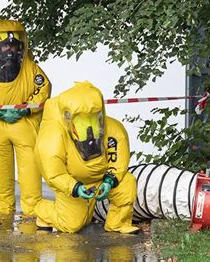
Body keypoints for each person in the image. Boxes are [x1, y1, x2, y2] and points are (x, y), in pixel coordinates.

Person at [33, 81, 139, 234]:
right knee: (71, 225)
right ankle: (43, 212)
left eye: (93, 117)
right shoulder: (53, 138)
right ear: (68, 118)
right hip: (74, 181)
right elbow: (55, 174)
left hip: (102, 179)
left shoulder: (114, 130)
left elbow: (118, 161)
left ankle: (118, 223)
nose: (89, 126)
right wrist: (75, 187)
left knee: (126, 182)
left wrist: (110, 181)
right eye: (82, 119)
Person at [0, 20, 51, 215]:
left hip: (24, 124)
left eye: (13, 45)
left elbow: (44, 90)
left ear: (20, 45)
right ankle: (4, 209)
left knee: (30, 170)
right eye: (4, 45)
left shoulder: (31, 68)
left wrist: (25, 109)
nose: (9, 50)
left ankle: (32, 208)